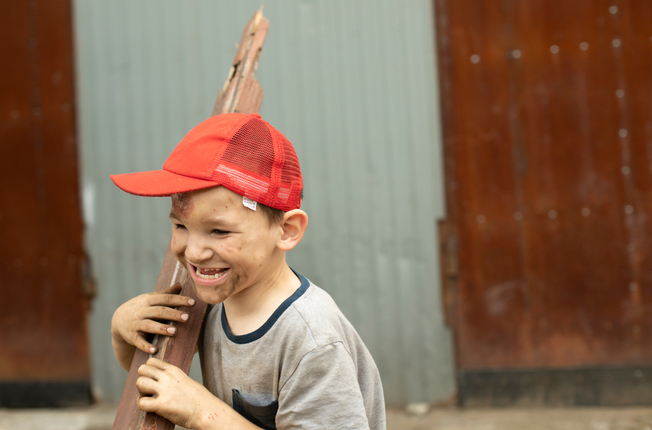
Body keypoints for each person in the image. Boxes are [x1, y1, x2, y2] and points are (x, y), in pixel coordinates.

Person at [110, 112, 386, 430]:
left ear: (287, 231)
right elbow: (153, 382)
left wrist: (204, 413)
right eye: (180, 225)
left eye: (219, 231)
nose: (194, 252)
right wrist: (121, 330)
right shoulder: (207, 299)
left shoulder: (312, 343)